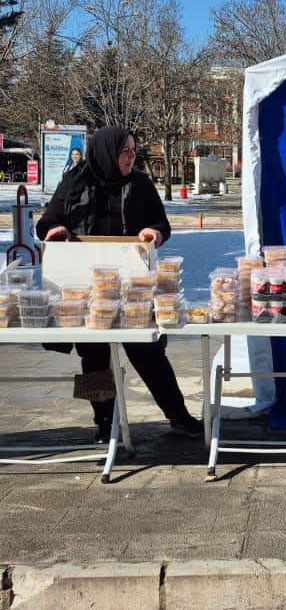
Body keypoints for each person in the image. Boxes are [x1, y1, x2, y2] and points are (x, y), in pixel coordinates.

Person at [36, 126, 203, 443]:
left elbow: (160, 222)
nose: (131, 157)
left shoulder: (139, 183)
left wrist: (154, 233)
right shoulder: (76, 181)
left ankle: (179, 415)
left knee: (149, 355)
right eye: (125, 151)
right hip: (87, 291)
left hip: (132, 289)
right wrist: (56, 229)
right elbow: (48, 220)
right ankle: (103, 423)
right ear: (107, 152)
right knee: (93, 359)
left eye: (133, 150)